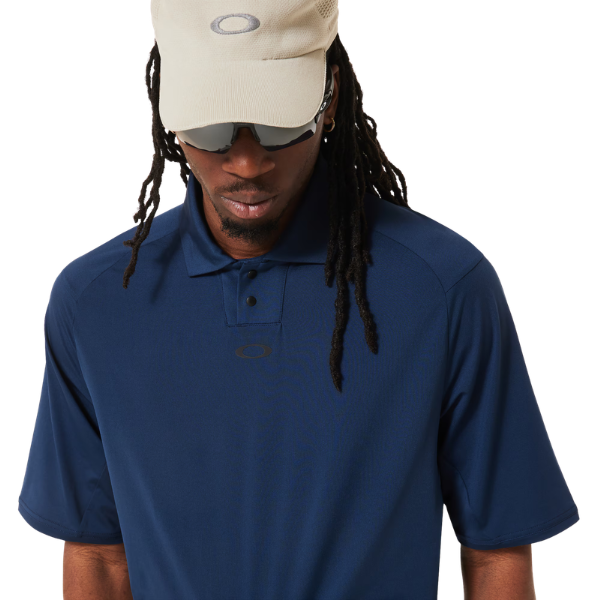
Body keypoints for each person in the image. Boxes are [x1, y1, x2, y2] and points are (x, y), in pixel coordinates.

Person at [18, 1, 579, 598]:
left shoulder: (444, 289)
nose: (246, 162)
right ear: (166, 111)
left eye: (279, 124)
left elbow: (495, 551)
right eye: (211, 128)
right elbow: (98, 553)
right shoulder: (96, 303)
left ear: (329, 98)